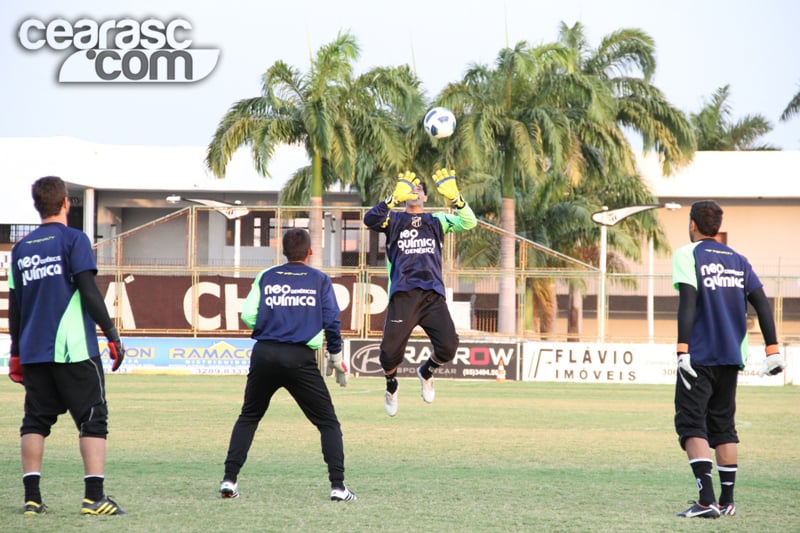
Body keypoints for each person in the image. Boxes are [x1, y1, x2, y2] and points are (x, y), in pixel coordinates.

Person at [7, 176, 126, 516]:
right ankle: (94, 498)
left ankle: (32, 498)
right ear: (66, 203)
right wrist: (112, 335)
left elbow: (15, 306)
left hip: (33, 350)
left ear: (36, 205)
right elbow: (88, 291)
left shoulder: (21, 249)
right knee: (93, 419)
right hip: (73, 348)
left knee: (34, 421)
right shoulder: (74, 239)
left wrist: (16, 352)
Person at [219, 228, 356, 502]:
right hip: (299, 358)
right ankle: (338, 487)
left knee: (249, 416)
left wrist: (272, 326)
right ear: (310, 252)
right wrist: (335, 357)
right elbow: (331, 320)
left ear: (283, 251)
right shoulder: (319, 279)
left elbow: (247, 314)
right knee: (328, 422)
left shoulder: (266, 276)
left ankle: (229, 481)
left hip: (264, 353)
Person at [671, 199, 785, 519]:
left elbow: (688, 303)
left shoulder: (687, 253)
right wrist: (772, 348)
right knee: (723, 426)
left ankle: (706, 502)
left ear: (693, 224)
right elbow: (762, 304)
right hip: (732, 356)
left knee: (692, 424)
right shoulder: (739, 259)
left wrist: (682, 349)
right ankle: (727, 501)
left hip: (700, 355)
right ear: (717, 226)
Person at [363, 168, 477, 417]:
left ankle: (426, 371)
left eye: (420, 189)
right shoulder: (392, 220)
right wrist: (392, 200)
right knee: (388, 355)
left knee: (448, 347)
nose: (415, 192)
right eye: (411, 189)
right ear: (403, 194)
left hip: (432, 296)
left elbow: (470, 222)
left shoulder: (438, 220)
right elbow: (369, 220)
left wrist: (457, 199)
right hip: (403, 295)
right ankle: (392, 385)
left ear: (426, 197)